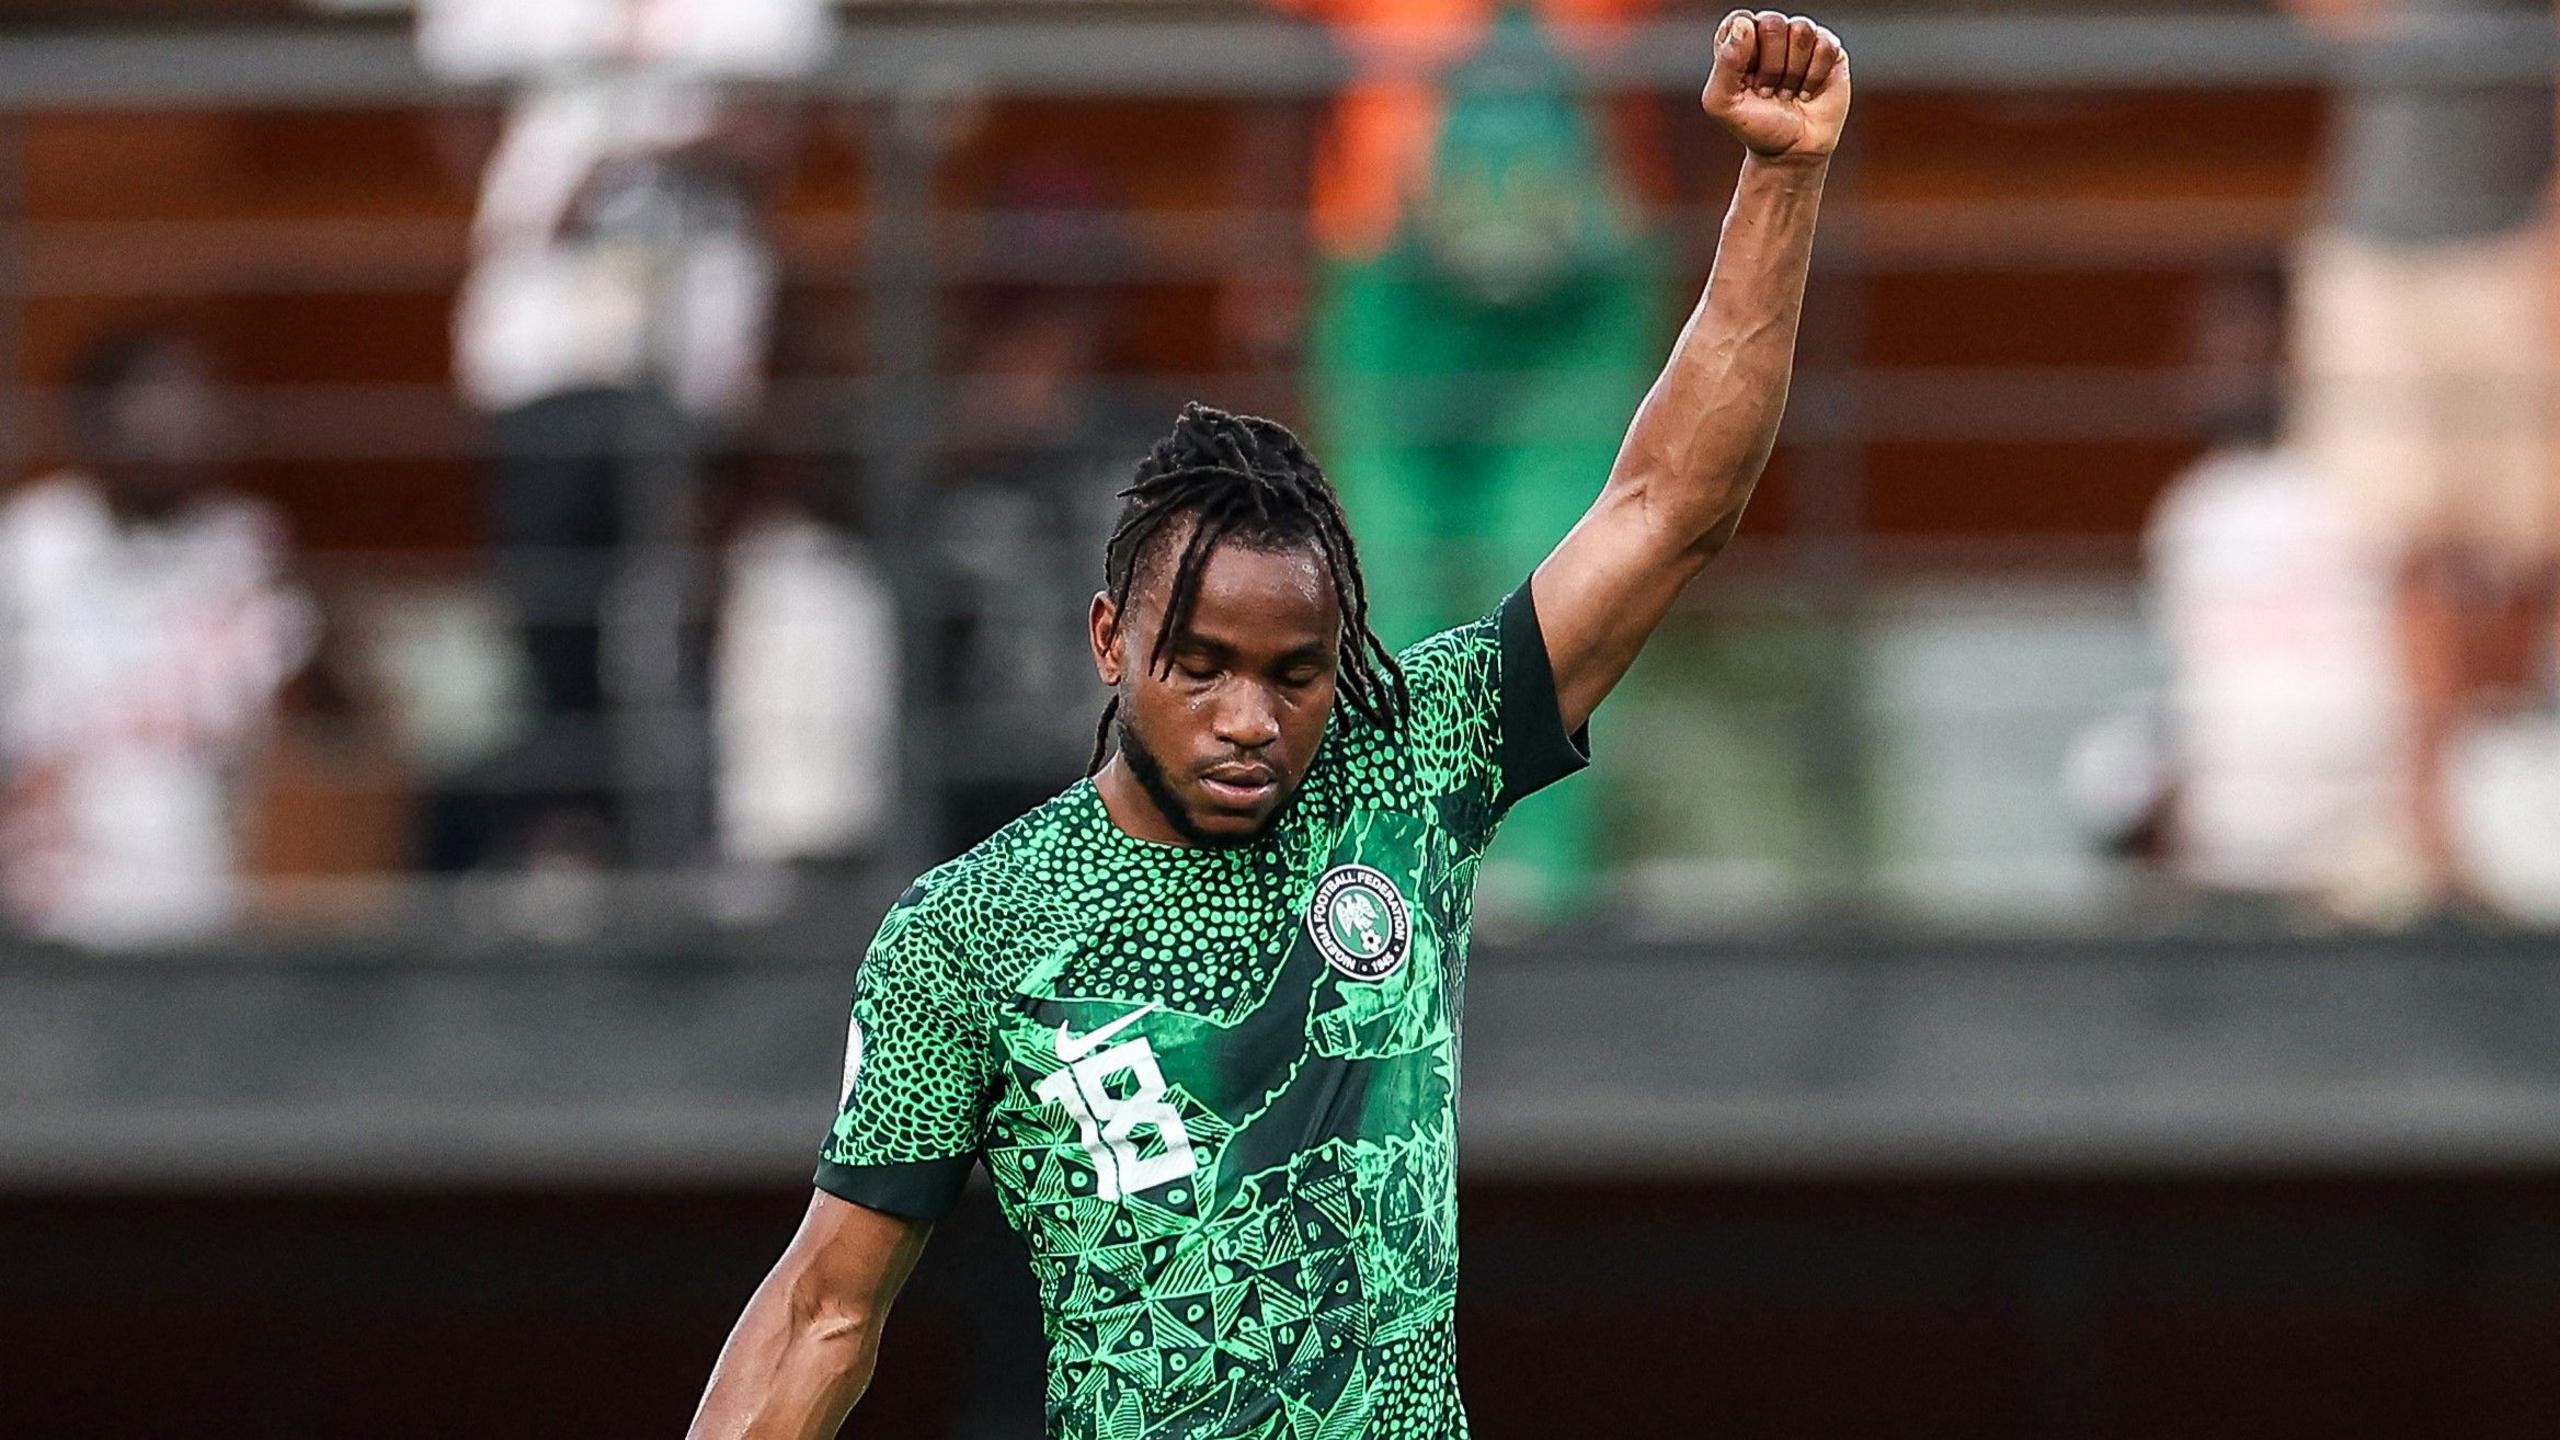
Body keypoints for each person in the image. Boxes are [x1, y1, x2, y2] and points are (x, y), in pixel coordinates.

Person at [686, 14, 1846, 1438]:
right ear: (1110, 643)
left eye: (1294, 674)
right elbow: (825, 1310)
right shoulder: (970, 932)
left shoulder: (1408, 762)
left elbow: (1671, 507)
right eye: (1201, 667)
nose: (1250, 720)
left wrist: (1780, 179)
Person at [1283, 0, 1677, 921]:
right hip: (1385, 247)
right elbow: (1296, 57)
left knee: (1567, 558)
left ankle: (1523, 875)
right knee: (1394, 559)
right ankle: (1393, 863)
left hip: (1574, 260)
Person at [418, 0, 826, 872]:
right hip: (544, 352)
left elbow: (772, 130)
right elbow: (460, 105)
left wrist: (626, 160)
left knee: (680, 615)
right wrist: (533, 200)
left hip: (689, 353)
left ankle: (683, 849)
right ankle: (574, 839)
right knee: (550, 615)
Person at [2281, 0, 2556, 911]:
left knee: (2529, 549)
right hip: (2375, 256)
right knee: (2409, 544)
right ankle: (2431, 823)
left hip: (2517, 253)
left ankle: (2496, 795)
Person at [0, 329, 314, 948]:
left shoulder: (247, 547)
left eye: (198, 400)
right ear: (93, 420)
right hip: (47, 916)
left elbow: (317, 732)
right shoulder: (30, 544)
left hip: (205, 914)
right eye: (155, 399)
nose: (182, 424)